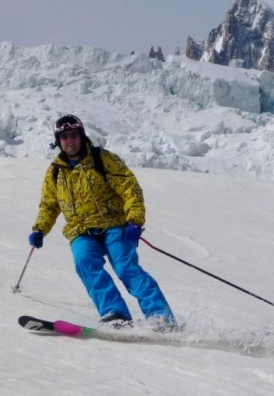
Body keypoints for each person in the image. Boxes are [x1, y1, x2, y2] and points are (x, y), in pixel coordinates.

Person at [28, 114, 177, 330]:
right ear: (58, 141)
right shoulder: (55, 172)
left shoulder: (102, 159)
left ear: (81, 136)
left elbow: (129, 188)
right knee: (84, 262)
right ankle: (115, 313)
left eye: (74, 135)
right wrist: (40, 229)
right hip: (80, 230)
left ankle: (161, 317)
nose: (70, 141)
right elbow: (49, 205)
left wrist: (134, 221)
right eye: (65, 137)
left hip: (115, 225)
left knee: (126, 268)